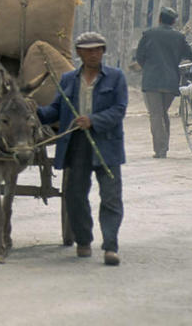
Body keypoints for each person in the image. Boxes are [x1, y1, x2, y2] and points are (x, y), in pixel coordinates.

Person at [37, 32, 127, 266]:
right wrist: (32, 111)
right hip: (76, 145)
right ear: (79, 53)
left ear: (103, 52)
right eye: (88, 50)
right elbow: (54, 111)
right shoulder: (68, 80)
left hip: (106, 145)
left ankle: (110, 247)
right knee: (75, 195)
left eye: (98, 49)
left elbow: (119, 110)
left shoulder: (116, 78)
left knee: (110, 197)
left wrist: (94, 120)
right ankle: (84, 241)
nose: (94, 54)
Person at [135, 7, 192, 158]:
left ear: (159, 19)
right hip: (170, 81)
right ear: (174, 21)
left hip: (151, 81)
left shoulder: (148, 34)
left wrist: (148, 68)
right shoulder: (179, 37)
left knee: (156, 115)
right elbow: (191, 55)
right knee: (163, 113)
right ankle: (164, 145)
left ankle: (160, 149)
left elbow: (139, 56)